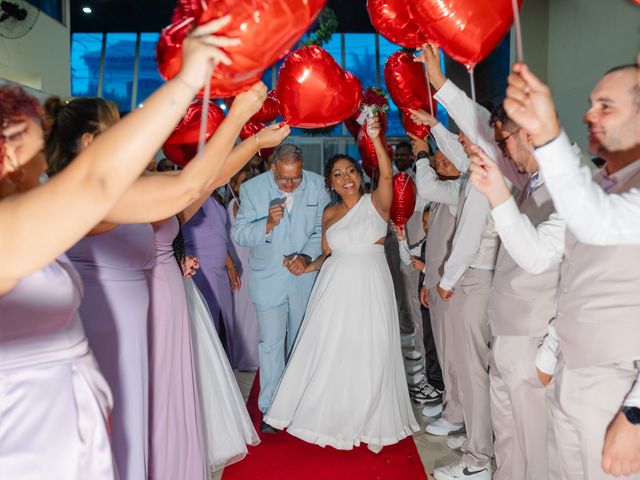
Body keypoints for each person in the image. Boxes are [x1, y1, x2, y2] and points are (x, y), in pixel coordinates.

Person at [0, 18, 226, 479]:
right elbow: (98, 179)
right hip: (29, 436)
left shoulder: (33, 203)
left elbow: (185, 187)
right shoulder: (16, 224)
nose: (43, 142)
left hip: (70, 416)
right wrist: (186, 80)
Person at [471, 61, 640, 478]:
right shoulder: (599, 185)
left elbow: (596, 221)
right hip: (570, 370)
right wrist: (497, 194)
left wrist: (636, 412)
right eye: (590, 104)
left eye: (606, 106)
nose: (589, 115)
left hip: (619, 380)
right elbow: (541, 256)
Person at [263, 115, 420, 452]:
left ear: (359, 175)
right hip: (333, 289)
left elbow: (389, 173)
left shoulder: (376, 204)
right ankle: (331, 412)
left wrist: (377, 138)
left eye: (350, 171)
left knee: (372, 348)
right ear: (330, 183)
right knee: (333, 349)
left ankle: (369, 417)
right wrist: (304, 266)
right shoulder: (330, 214)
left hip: (371, 285)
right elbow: (326, 256)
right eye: (338, 174)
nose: (345, 177)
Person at [413, 43, 526, 480]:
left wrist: (448, 280)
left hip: (476, 278)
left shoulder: (489, 174)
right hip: (478, 279)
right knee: (472, 368)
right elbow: (463, 151)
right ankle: (477, 439)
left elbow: (469, 237)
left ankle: (478, 457)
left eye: (481, 134)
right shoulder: (484, 166)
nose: (465, 141)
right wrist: (435, 128)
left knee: (473, 371)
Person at [470, 103, 558, 480]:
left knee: (536, 446)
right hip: (505, 333)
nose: (503, 151)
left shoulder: (568, 191)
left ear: (526, 134)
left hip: (532, 337)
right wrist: (439, 84)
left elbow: (543, 261)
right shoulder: (531, 185)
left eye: (504, 141)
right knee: (506, 438)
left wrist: (549, 354)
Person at [231, 143, 330, 430]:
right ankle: (270, 408)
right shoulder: (252, 189)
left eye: (295, 178)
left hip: (303, 276)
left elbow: (320, 230)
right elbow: (240, 234)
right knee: (271, 344)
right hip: (268, 279)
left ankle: (299, 401)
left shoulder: (317, 186)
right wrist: (267, 224)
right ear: (273, 168)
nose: (289, 184)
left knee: (301, 342)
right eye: (283, 178)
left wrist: (306, 257)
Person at [175, 237, 260, 474]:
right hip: (159, 280)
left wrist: (177, 259)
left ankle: (198, 436)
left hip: (176, 276)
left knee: (198, 365)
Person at [407, 112, 466, 436]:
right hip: (437, 279)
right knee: (442, 351)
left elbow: (426, 187)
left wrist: (421, 152)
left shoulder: (458, 190)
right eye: (437, 161)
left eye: (445, 162)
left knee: (453, 354)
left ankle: (456, 412)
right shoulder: (451, 188)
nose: (439, 166)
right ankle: (448, 403)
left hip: (452, 285)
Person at [227, 169, 260, 371]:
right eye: (243, 181)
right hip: (237, 265)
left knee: (255, 312)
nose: (247, 185)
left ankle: (254, 358)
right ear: (236, 186)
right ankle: (239, 356)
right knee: (238, 312)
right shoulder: (230, 206)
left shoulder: (259, 207)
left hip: (256, 264)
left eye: (250, 181)